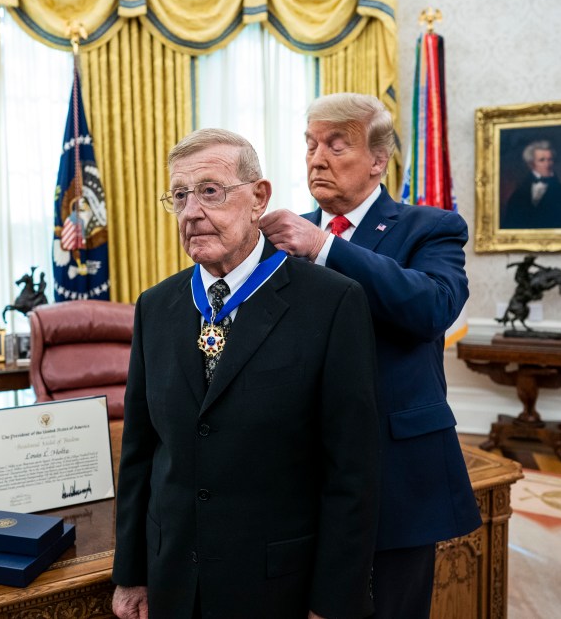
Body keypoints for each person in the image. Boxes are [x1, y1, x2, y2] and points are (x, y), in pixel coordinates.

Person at [112, 128, 380, 619]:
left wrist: (334, 603)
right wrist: (130, 572)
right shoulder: (156, 306)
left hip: (277, 586)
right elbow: (140, 453)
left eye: (210, 191)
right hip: (173, 579)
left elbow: (352, 475)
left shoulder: (332, 303)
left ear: (259, 198)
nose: (191, 211)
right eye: (179, 196)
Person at [259, 93, 481, 618]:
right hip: (298, 468)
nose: (317, 158)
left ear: (378, 160)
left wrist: (325, 249)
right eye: (311, 145)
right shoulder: (278, 237)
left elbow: (432, 307)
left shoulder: (430, 227)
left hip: (395, 470)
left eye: (337, 146)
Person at [500, 140, 561, 229]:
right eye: (542, 160)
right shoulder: (518, 195)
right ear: (531, 164)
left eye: (550, 159)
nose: (547, 164)